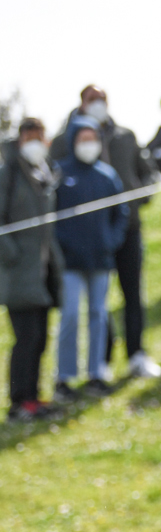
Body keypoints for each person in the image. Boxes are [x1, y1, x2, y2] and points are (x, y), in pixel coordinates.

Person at [51, 86, 161, 379]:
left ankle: (136, 354)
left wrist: (138, 198)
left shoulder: (126, 136)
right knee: (98, 302)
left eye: (102, 99)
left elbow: (148, 172)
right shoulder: (63, 141)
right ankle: (101, 361)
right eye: (92, 100)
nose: (98, 104)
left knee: (132, 292)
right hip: (90, 235)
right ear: (82, 104)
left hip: (128, 228)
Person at [54, 116, 128, 401]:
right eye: (82, 139)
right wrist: (62, 246)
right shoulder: (60, 173)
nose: (88, 144)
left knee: (98, 314)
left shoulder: (107, 175)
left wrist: (111, 242)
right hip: (70, 262)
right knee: (70, 315)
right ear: (73, 141)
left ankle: (96, 373)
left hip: (100, 260)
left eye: (92, 139)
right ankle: (64, 377)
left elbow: (121, 214)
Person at [0, 119, 64, 421]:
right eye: (30, 137)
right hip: (18, 273)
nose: (35, 143)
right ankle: (18, 402)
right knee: (25, 338)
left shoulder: (45, 172)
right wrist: (12, 254)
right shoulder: (8, 174)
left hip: (43, 271)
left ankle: (33, 397)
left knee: (39, 338)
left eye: (40, 136)